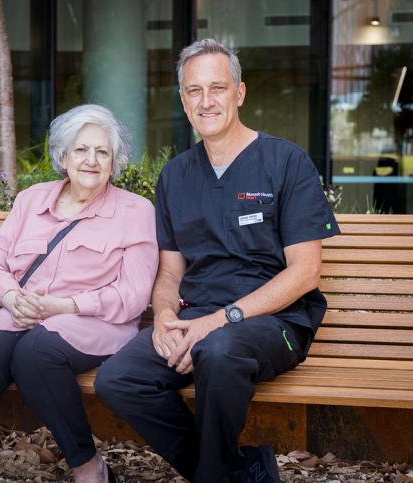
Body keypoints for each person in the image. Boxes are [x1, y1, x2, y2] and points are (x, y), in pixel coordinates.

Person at [95, 38, 341, 483]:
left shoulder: (285, 162)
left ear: (239, 93)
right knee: (117, 379)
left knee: (219, 351)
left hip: (276, 322)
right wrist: (167, 316)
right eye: (194, 91)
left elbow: (305, 272)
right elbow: (171, 271)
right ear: (183, 101)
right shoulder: (175, 176)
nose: (206, 101)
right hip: (197, 317)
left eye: (217, 88)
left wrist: (222, 320)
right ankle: (235, 471)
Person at [0, 104, 158, 483]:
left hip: (93, 322)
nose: (91, 160)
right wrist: (13, 297)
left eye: (103, 152)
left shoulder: (136, 212)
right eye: (81, 150)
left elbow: (132, 296)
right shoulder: (32, 200)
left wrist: (63, 306)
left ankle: (88, 468)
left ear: (114, 163)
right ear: (63, 157)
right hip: (21, 312)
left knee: (34, 354)